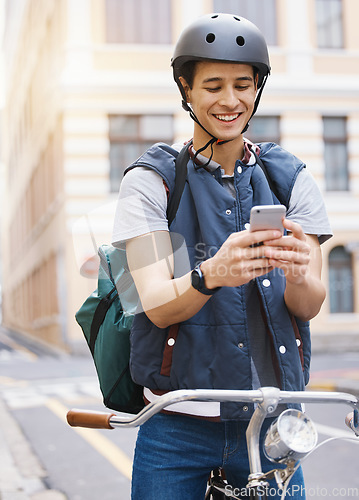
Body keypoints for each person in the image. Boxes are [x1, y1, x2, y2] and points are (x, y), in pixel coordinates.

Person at [112, 13, 332, 500]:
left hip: (273, 423)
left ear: (257, 90)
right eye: (212, 85)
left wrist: (298, 273)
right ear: (186, 90)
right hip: (175, 426)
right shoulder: (151, 182)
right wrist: (214, 272)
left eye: (243, 85)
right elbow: (153, 303)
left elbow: (309, 305)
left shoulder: (290, 178)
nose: (230, 100)